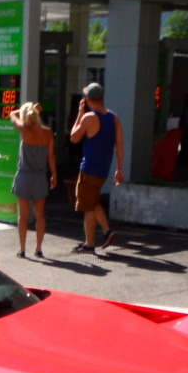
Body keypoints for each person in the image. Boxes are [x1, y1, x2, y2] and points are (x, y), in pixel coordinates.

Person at [69, 82, 125, 254]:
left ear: (87, 99)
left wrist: (79, 114)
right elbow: (120, 145)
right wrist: (119, 169)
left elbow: (73, 137)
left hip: (89, 168)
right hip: (103, 168)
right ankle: (107, 231)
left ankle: (90, 243)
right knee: (93, 201)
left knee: (88, 206)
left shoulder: (89, 117)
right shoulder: (113, 117)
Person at [8, 102, 58, 258]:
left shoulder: (24, 129)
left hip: (24, 176)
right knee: (40, 215)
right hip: (39, 178)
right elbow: (51, 156)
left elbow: (11, 115)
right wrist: (54, 175)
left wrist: (25, 109)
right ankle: (38, 249)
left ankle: (22, 249)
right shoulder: (48, 132)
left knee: (23, 216)